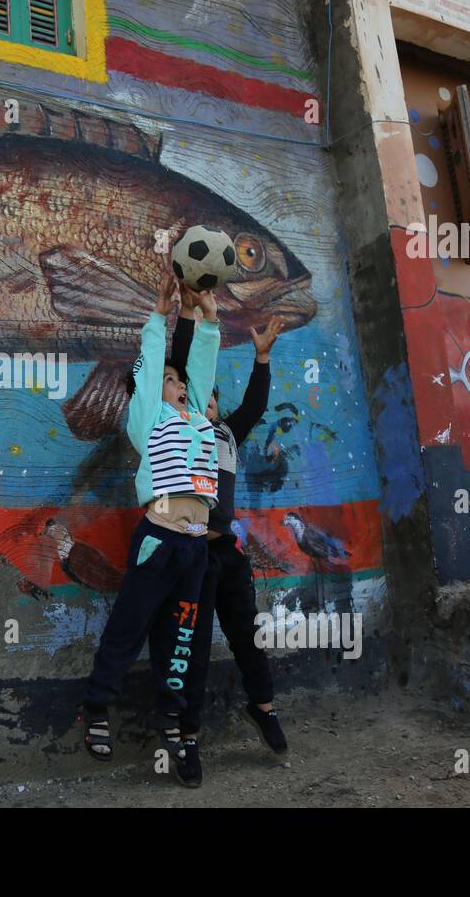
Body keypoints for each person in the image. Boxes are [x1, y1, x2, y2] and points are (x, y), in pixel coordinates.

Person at [81, 272, 220, 786]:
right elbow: (147, 373)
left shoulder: (198, 421)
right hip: (158, 540)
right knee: (130, 626)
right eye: (171, 380)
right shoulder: (148, 420)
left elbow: (202, 366)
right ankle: (96, 706)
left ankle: (173, 723)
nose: (181, 385)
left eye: (182, 382)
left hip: (194, 549)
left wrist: (209, 318)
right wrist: (159, 318)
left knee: (181, 639)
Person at [171, 286, 287, 786]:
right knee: (190, 652)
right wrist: (190, 317)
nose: (210, 404)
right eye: (203, 397)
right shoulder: (183, 427)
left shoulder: (228, 434)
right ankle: (187, 739)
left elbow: (256, 406)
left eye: (215, 399)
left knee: (247, 638)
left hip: (230, 557)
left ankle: (262, 707)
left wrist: (261, 360)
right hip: (192, 555)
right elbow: (181, 364)